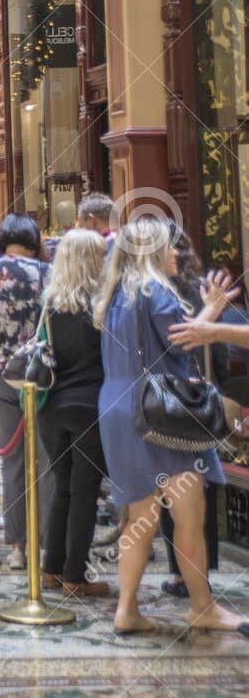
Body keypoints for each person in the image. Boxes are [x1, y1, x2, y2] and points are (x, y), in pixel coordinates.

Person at [94, 215, 246, 637]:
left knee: (139, 516)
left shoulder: (115, 294)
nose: (177, 252)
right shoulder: (156, 290)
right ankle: (202, 606)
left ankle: (127, 609)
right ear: (152, 252)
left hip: (120, 406)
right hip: (165, 410)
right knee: (188, 515)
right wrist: (214, 308)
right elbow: (185, 338)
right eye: (169, 246)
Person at [0, 213, 50, 571]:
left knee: (13, 458)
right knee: (47, 459)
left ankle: (17, 546)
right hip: (43, 376)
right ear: (35, 239)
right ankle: (45, 544)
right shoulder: (48, 274)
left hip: (1, 373)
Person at [157, 225, 230, 597]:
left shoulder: (154, 291)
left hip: (166, 399)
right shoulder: (201, 287)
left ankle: (180, 573)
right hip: (201, 396)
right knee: (200, 484)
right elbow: (218, 351)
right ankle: (202, 570)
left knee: (174, 486)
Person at [38, 228, 110, 597]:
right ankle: (74, 576)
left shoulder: (50, 303)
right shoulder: (102, 304)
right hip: (90, 405)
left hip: (51, 405)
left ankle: (51, 568)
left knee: (62, 488)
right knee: (85, 492)